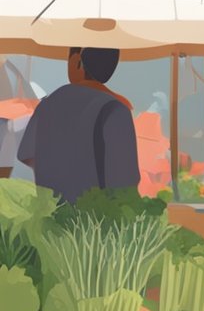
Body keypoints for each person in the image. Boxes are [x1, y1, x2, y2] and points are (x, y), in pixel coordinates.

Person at [18, 47, 138, 202]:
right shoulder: (116, 109)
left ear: (76, 61)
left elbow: (27, 155)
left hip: (49, 215)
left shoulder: (48, 104)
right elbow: (125, 180)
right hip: (96, 221)